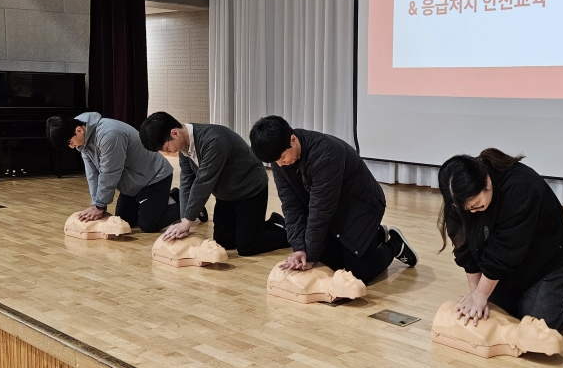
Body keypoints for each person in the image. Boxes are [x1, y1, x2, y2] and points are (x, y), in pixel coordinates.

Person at [248, 115, 417, 284]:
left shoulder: (326, 155)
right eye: (275, 161)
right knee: (331, 263)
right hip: (334, 208)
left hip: (362, 207)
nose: (280, 164)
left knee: (358, 274)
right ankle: (377, 235)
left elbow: (320, 211)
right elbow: (291, 205)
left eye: (282, 158)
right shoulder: (280, 159)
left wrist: (311, 255)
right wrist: (299, 247)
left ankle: (395, 244)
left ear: (293, 140)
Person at [437, 149, 563, 332]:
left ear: (487, 181)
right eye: (466, 209)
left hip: (544, 260)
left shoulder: (522, 186)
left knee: (541, 323)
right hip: (504, 263)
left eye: (476, 205)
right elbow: (465, 250)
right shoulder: (458, 199)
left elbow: (506, 250)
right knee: (499, 312)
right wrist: (475, 294)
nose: (472, 211)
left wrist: (482, 292)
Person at [139, 112, 289, 255]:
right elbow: (187, 183)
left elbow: (203, 182)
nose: (168, 152)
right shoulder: (184, 148)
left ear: (175, 133)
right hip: (226, 195)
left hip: (250, 189)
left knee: (247, 246)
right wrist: (185, 218)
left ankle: (286, 232)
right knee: (224, 242)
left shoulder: (214, 140)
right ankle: (265, 225)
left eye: (165, 148)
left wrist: (187, 222)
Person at [46, 112, 179, 233]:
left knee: (149, 225)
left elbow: (110, 172)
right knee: (125, 222)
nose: (71, 146)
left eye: (70, 142)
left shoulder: (109, 134)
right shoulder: (83, 141)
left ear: (79, 130)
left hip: (154, 177)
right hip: (132, 184)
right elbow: (93, 175)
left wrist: (100, 205)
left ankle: (186, 203)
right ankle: (170, 197)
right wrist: (96, 204)